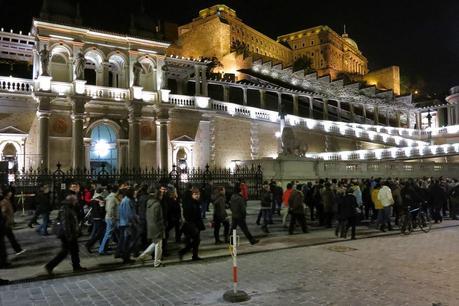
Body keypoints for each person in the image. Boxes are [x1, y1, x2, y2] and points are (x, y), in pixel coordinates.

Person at [45, 196, 86, 274]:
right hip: (67, 234)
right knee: (65, 251)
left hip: (70, 233)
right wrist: (69, 235)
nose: (76, 202)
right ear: (71, 201)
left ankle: (76, 266)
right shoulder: (66, 209)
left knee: (74, 250)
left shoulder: (69, 207)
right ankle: (50, 266)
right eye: (75, 201)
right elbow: (65, 224)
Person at [137, 186, 165, 267]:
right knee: (159, 245)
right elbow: (157, 217)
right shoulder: (157, 204)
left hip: (150, 225)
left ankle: (143, 256)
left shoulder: (149, 202)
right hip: (156, 226)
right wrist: (161, 226)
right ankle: (157, 262)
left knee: (155, 243)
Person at [179, 187, 205, 261]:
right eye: (195, 194)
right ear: (192, 194)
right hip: (191, 225)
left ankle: (194, 255)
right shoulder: (190, 203)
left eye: (198, 194)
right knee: (196, 241)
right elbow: (188, 215)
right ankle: (184, 252)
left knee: (196, 241)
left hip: (197, 224)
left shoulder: (197, 202)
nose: (197, 195)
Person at [0, 189, 25, 256]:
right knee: (9, 238)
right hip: (4, 223)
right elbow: (3, 211)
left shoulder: (7, 200)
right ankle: (17, 250)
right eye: (9, 193)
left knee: (11, 237)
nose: (11, 194)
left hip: (6, 222)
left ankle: (18, 250)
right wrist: (5, 218)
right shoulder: (4, 201)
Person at [117, 187, 137, 264]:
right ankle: (126, 257)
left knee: (128, 241)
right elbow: (129, 214)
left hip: (125, 223)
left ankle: (126, 256)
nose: (135, 194)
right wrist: (133, 223)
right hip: (127, 224)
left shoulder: (126, 200)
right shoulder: (127, 201)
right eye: (134, 193)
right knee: (128, 241)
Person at [98, 185, 120, 255]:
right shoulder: (112, 198)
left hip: (112, 218)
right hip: (112, 218)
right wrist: (113, 217)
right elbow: (109, 209)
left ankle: (121, 247)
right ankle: (102, 249)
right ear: (117, 191)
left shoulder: (112, 197)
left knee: (117, 233)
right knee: (108, 234)